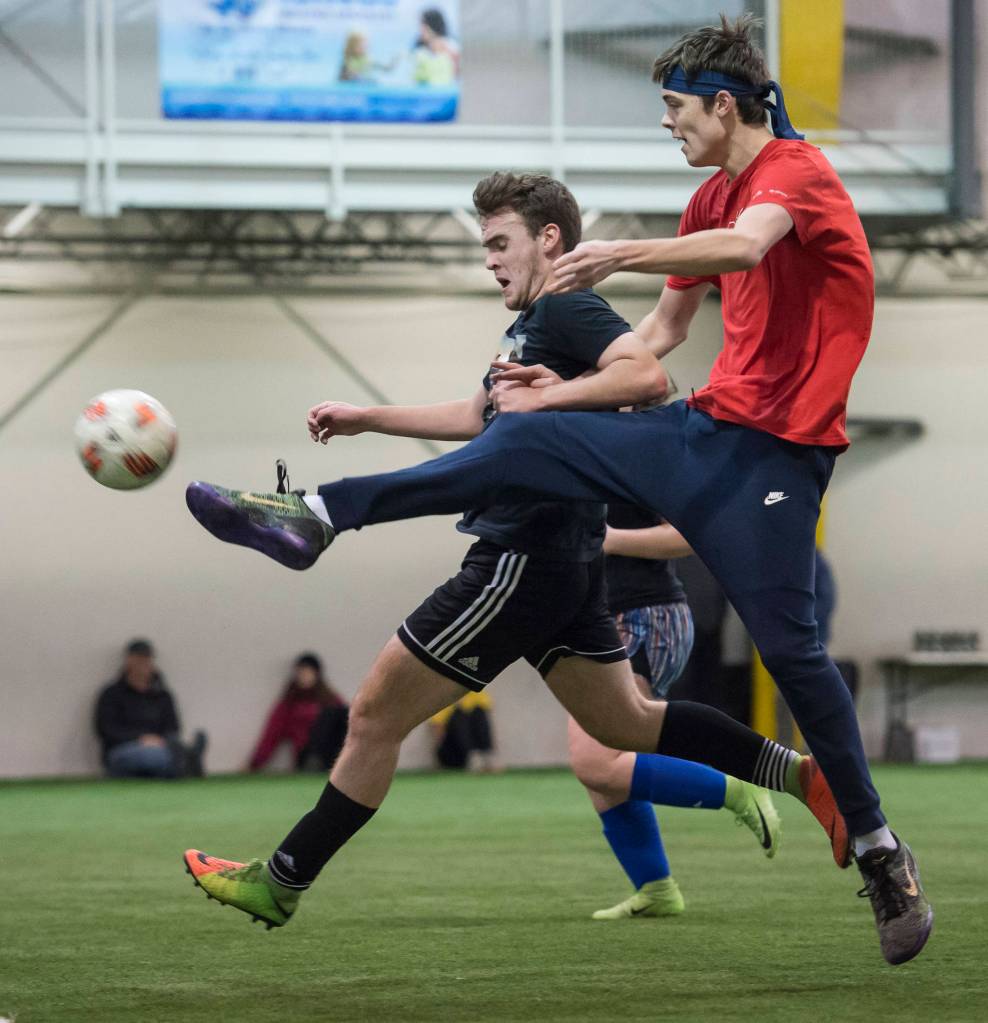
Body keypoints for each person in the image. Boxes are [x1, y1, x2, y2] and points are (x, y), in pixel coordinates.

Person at [182, 17, 933, 965]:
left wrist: (612, 253)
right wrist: (561, 393)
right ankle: (319, 512)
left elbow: (745, 251)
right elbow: (658, 341)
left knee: (791, 651)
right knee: (526, 444)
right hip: (706, 433)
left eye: (674, 106)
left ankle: (879, 849)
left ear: (724, 104)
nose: (668, 122)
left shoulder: (794, 174)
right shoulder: (709, 193)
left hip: (780, 462)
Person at [573, 509, 780, 920]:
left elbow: (685, 535)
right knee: (603, 770)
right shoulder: (573, 456)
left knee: (597, 762)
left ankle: (738, 789)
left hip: (642, 616)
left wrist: (608, 539)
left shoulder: (639, 454)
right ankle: (656, 888)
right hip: (600, 618)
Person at [95, 639, 206, 779]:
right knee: (152, 756)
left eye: (146, 659)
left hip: (162, 745)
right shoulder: (112, 694)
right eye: (139, 659)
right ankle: (188, 758)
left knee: (162, 758)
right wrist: (141, 738)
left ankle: (181, 762)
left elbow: (173, 728)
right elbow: (106, 729)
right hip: (121, 750)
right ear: (128, 661)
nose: (143, 664)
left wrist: (160, 740)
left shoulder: (163, 696)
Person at [248, 653, 348, 772]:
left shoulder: (330, 700)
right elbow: (272, 734)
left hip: (331, 751)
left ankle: (346, 762)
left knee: (341, 713)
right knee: (330, 715)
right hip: (306, 754)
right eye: (301, 673)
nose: (304, 676)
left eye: (308, 672)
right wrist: (255, 763)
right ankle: (315, 762)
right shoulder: (290, 703)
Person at [429, 691, 498, 771]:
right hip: (453, 751)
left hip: (473, 745)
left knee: (478, 712)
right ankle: (472, 758)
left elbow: (486, 707)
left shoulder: (475, 693)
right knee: (459, 716)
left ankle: (486, 758)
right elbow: (438, 728)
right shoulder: (445, 697)